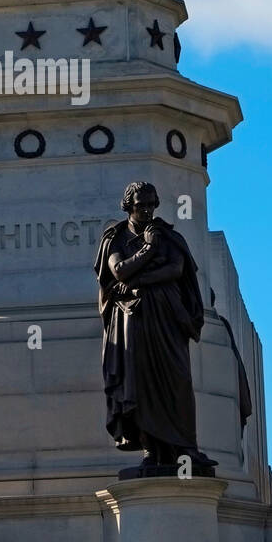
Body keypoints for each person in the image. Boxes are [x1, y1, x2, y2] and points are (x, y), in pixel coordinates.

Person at [94, 181, 216, 475]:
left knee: (178, 379)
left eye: (151, 204)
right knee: (140, 381)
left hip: (168, 316)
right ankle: (151, 451)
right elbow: (118, 271)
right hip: (132, 319)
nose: (147, 210)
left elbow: (176, 270)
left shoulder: (169, 236)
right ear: (128, 206)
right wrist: (149, 249)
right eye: (141, 205)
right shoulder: (116, 238)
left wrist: (138, 280)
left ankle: (187, 448)